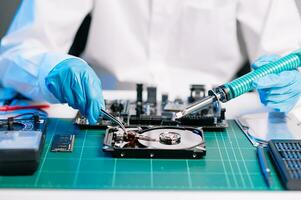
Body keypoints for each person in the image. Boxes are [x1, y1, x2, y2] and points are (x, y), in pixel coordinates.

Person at [1, 0, 301, 124]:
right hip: (99, 110)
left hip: (215, 113)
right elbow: (18, 49)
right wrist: (49, 68)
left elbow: (291, 53)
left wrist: (292, 77)